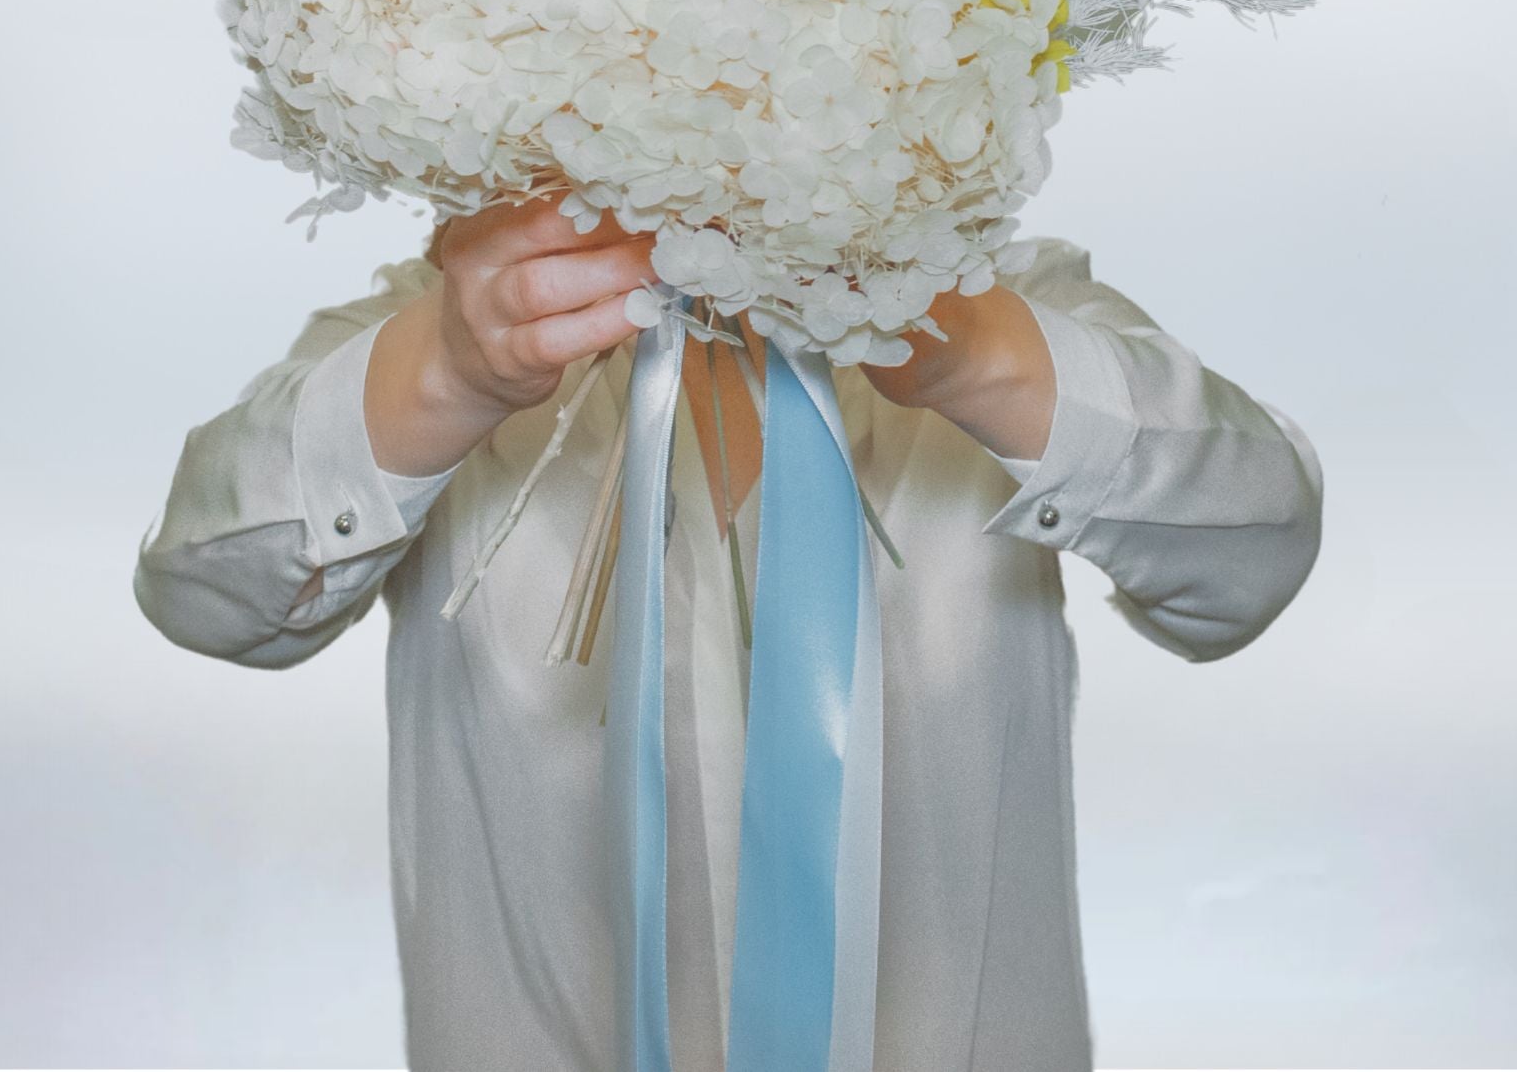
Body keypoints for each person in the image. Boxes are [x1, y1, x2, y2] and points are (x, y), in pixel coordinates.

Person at [133, 199, 1323, 1071]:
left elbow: (1252, 552)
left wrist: (985, 356)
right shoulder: (442, 314)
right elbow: (207, 593)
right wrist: (445, 367)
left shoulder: (1000, 290)